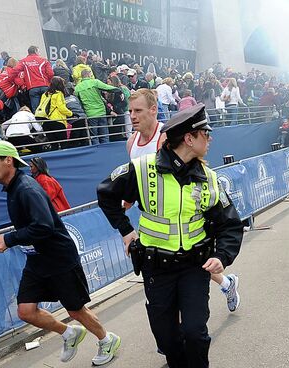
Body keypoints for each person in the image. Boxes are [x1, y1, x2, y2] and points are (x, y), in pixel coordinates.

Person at [97, 104, 243, 368]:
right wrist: (126, 230)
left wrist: (222, 256)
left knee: (195, 333)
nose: (210, 139)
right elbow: (106, 193)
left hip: (194, 266)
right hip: (157, 269)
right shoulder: (142, 169)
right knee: (168, 340)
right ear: (189, 138)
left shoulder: (208, 179)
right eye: (205, 134)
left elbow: (230, 224)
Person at [0, 140, 120, 366]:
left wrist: (7, 239)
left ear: (8, 161)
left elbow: (44, 226)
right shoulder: (13, 188)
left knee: (76, 310)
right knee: (25, 311)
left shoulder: (26, 188)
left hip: (59, 259)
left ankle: (107, 340)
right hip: (37, 260)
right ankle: (68, 334)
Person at [125, 90, 241, 313]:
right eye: (130, 111)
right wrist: (127, 208)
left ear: (153, 110)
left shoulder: (167, 137)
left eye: (138, 110)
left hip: (186, 211)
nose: (132, 116)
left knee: (193, 262)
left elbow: (190, 166)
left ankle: (186, 331)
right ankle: (227, 284)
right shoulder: (131, 143)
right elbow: (137, 179)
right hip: (157, 220)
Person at [75, 69, 120, 145]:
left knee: (94, 136)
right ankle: (106, 152)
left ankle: (97, 153)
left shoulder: (77, 88)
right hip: (101, 112)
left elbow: (78, 102)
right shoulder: (95, 82)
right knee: (104, 136)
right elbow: (108, 88)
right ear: (89, 74)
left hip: (90, 114)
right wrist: (119, 90)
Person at [8, 46, 54, 112]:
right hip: (45, 86)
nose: (39, 53)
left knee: (36, 109)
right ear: (35, 51)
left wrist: (11, 79)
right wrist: (49, 82)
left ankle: (37, 121)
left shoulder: (24, 61)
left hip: (32, 88)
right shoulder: (44, 60)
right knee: (47, 107)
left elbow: (14, 71)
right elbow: (50, 73)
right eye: (38, 51)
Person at [35, 76, 72, 150]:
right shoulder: (59, 94)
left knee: (53, 145)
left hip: (46, 122)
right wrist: (71, 114)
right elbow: (61, 108)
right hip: (57, 121)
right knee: (64, 144)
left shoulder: (45, 94)